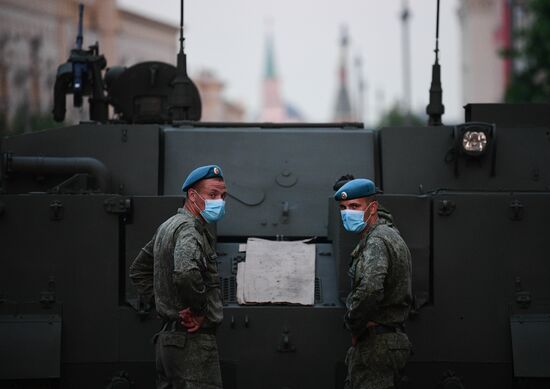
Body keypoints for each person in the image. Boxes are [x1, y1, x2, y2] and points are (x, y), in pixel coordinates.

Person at [129, 164, 227, 389]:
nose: (220, 201)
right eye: (212, 194)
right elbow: (185, 273)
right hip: (192, 344)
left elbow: (138, 270)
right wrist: (198, 312)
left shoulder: (168, 226)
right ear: (192, 196)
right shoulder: (189, 230)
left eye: (223, 195)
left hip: (169, 344)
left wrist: (167, 304)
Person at [334, 178, 413, 389]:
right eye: (343, 208)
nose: (347, 213)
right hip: (389, 342)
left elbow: (370, 288)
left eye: (354, 206)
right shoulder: (390, 235)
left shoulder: (376, 241)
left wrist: (355, 324)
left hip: (377, 345)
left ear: (373, 207)